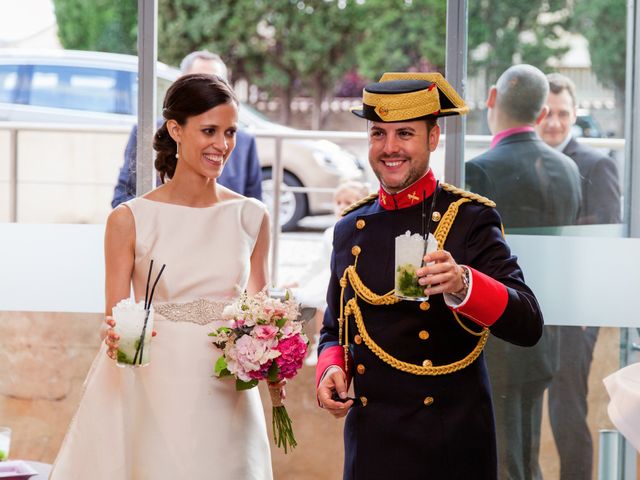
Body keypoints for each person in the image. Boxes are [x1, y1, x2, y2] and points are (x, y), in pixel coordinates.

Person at [316, 72, 544, 480]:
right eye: (378, 134)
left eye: (404, 134)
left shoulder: (470, 218)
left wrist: (463, 283)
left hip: (449, 444)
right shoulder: (349, 229)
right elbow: (334, 329)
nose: (389, 148)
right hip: (371, 446)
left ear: (433, 138)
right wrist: (331, 370)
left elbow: (528, 322)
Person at [50, 74, 274, 479]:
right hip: (155, 384)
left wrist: (275, 345)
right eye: (209, 131)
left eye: (230, 132)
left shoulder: (252, 216)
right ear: (175, 129)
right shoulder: (129, 219)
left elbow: (262, 311)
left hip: (228, 392)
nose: (222, 145)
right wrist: (114, 334)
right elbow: (114, 319)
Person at [466, 64, 582, 480]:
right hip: (544, 340)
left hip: (494, 341)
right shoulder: (568, 170)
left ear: (492, 98)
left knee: (501, 464)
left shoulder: (478, 171)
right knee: (528, 461)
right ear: (539, 114)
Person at [535, 72, 621, 480]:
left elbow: (606, 240)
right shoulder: (524, 160)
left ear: (575, 116)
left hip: (574, 316)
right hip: (527, 309)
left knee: (567, 414)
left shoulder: (597, 164)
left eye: (562, 113)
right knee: (523, 414)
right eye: (546, 113)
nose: (554, 122)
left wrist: (588, 306)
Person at [111, 50, 262, 207]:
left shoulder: (245, 143)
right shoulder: (145, 131)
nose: (221, 144)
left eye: (216, 85)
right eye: (197, 86)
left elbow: (254, 205)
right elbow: (122, 195)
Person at [286, 180, 369, 367]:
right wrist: (299, 281)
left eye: (348, 203)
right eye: (338, 202)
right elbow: (319, 263)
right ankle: (320, 344)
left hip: (357, 279)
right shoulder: (331, 232)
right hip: (333, 276)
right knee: (325, 300)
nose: (341, 207)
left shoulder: (366, 231)